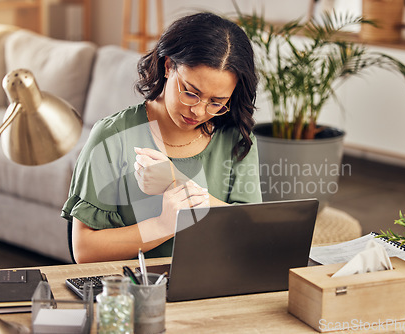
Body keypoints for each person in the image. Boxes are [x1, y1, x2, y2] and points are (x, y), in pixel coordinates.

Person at [62, 12, 262, 263]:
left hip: (218, 286)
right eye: (191, 93)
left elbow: (253, 229)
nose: (199, 111)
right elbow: (85, 250)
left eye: (217, 102)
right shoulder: (112, 137)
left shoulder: (236, 138)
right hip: (140, 291)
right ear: (168, 66)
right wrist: (164, 225)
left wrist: (177, 182)